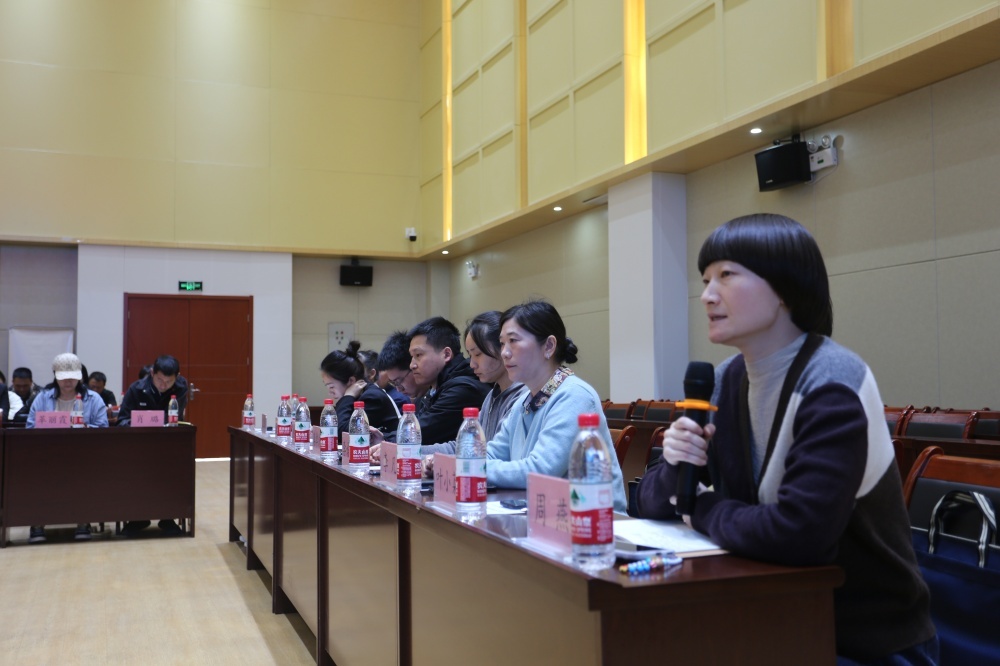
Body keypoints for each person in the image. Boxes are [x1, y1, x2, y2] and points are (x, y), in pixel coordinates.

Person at [634, 214, 936, 664]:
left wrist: (700, 508)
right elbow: (649, 502)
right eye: (705, 279)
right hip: (767, 618)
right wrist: (677, 466)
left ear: (783, 289)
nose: (708, 295)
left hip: (863, 640)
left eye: (726, 275)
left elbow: (800, 534)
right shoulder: (725, 380)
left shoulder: (832, 382)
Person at [486, 300, 628, 512]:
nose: (504, 352)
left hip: (593, 522)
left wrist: (475, 468)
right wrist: (468, 464)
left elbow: (540, 471)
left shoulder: (575, 396)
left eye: (513, 341)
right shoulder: (523, 402)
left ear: (549, 346)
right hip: (541, 516)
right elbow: (491, 454)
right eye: (502, 343)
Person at [26, 353, 108, 543]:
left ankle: (83, 521)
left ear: (80, 376)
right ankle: (37, 523)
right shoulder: (42, 398)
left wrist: (86, 427)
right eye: (63, 377)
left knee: (83, 474)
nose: (68, 381)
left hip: (84, 455)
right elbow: (30, 427)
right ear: (55, 375)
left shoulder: (93, 399)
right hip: (47, 454)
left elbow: (103, 428)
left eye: (72, 377)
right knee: (37, 474)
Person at [420, 311, 528, 454]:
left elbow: (496, 454)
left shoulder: (523, 398)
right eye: (470, 355)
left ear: (501, 348)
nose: (472, 364)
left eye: (478, 354)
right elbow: (466, 446)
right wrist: (413, 451)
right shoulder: (491, 396)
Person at [117, 354, 189, 536]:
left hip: (168, 445)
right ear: (152, 373)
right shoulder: (136, 389)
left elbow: (175, 417)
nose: (163, 385)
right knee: (136, 475)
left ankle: (168, 517)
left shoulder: (181, 388)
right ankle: (138, 518)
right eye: (159, 380)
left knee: (173, 474)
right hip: (138, 446)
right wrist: (137, 423)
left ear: (177, 377)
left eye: (169, 381)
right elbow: (122, 420)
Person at [407, 317, 492, 444]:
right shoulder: (435, 387)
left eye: (418, 355)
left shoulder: (463, 388)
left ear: (446, 354)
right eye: (412, 357)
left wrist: (382, 439)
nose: (412, 365)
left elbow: (419, 433)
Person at [321, 341, 400, 440]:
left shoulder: (372, 397)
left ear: (351, 381)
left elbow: (342, 433)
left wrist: (348, 396)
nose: (330, 392)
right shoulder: (360, 394)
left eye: (331, 386)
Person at [377, 330, 426, 402]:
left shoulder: (440, 394)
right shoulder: (419, 399)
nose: (399, 389)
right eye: (393, 383)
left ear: (413, 367)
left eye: (398, 381)